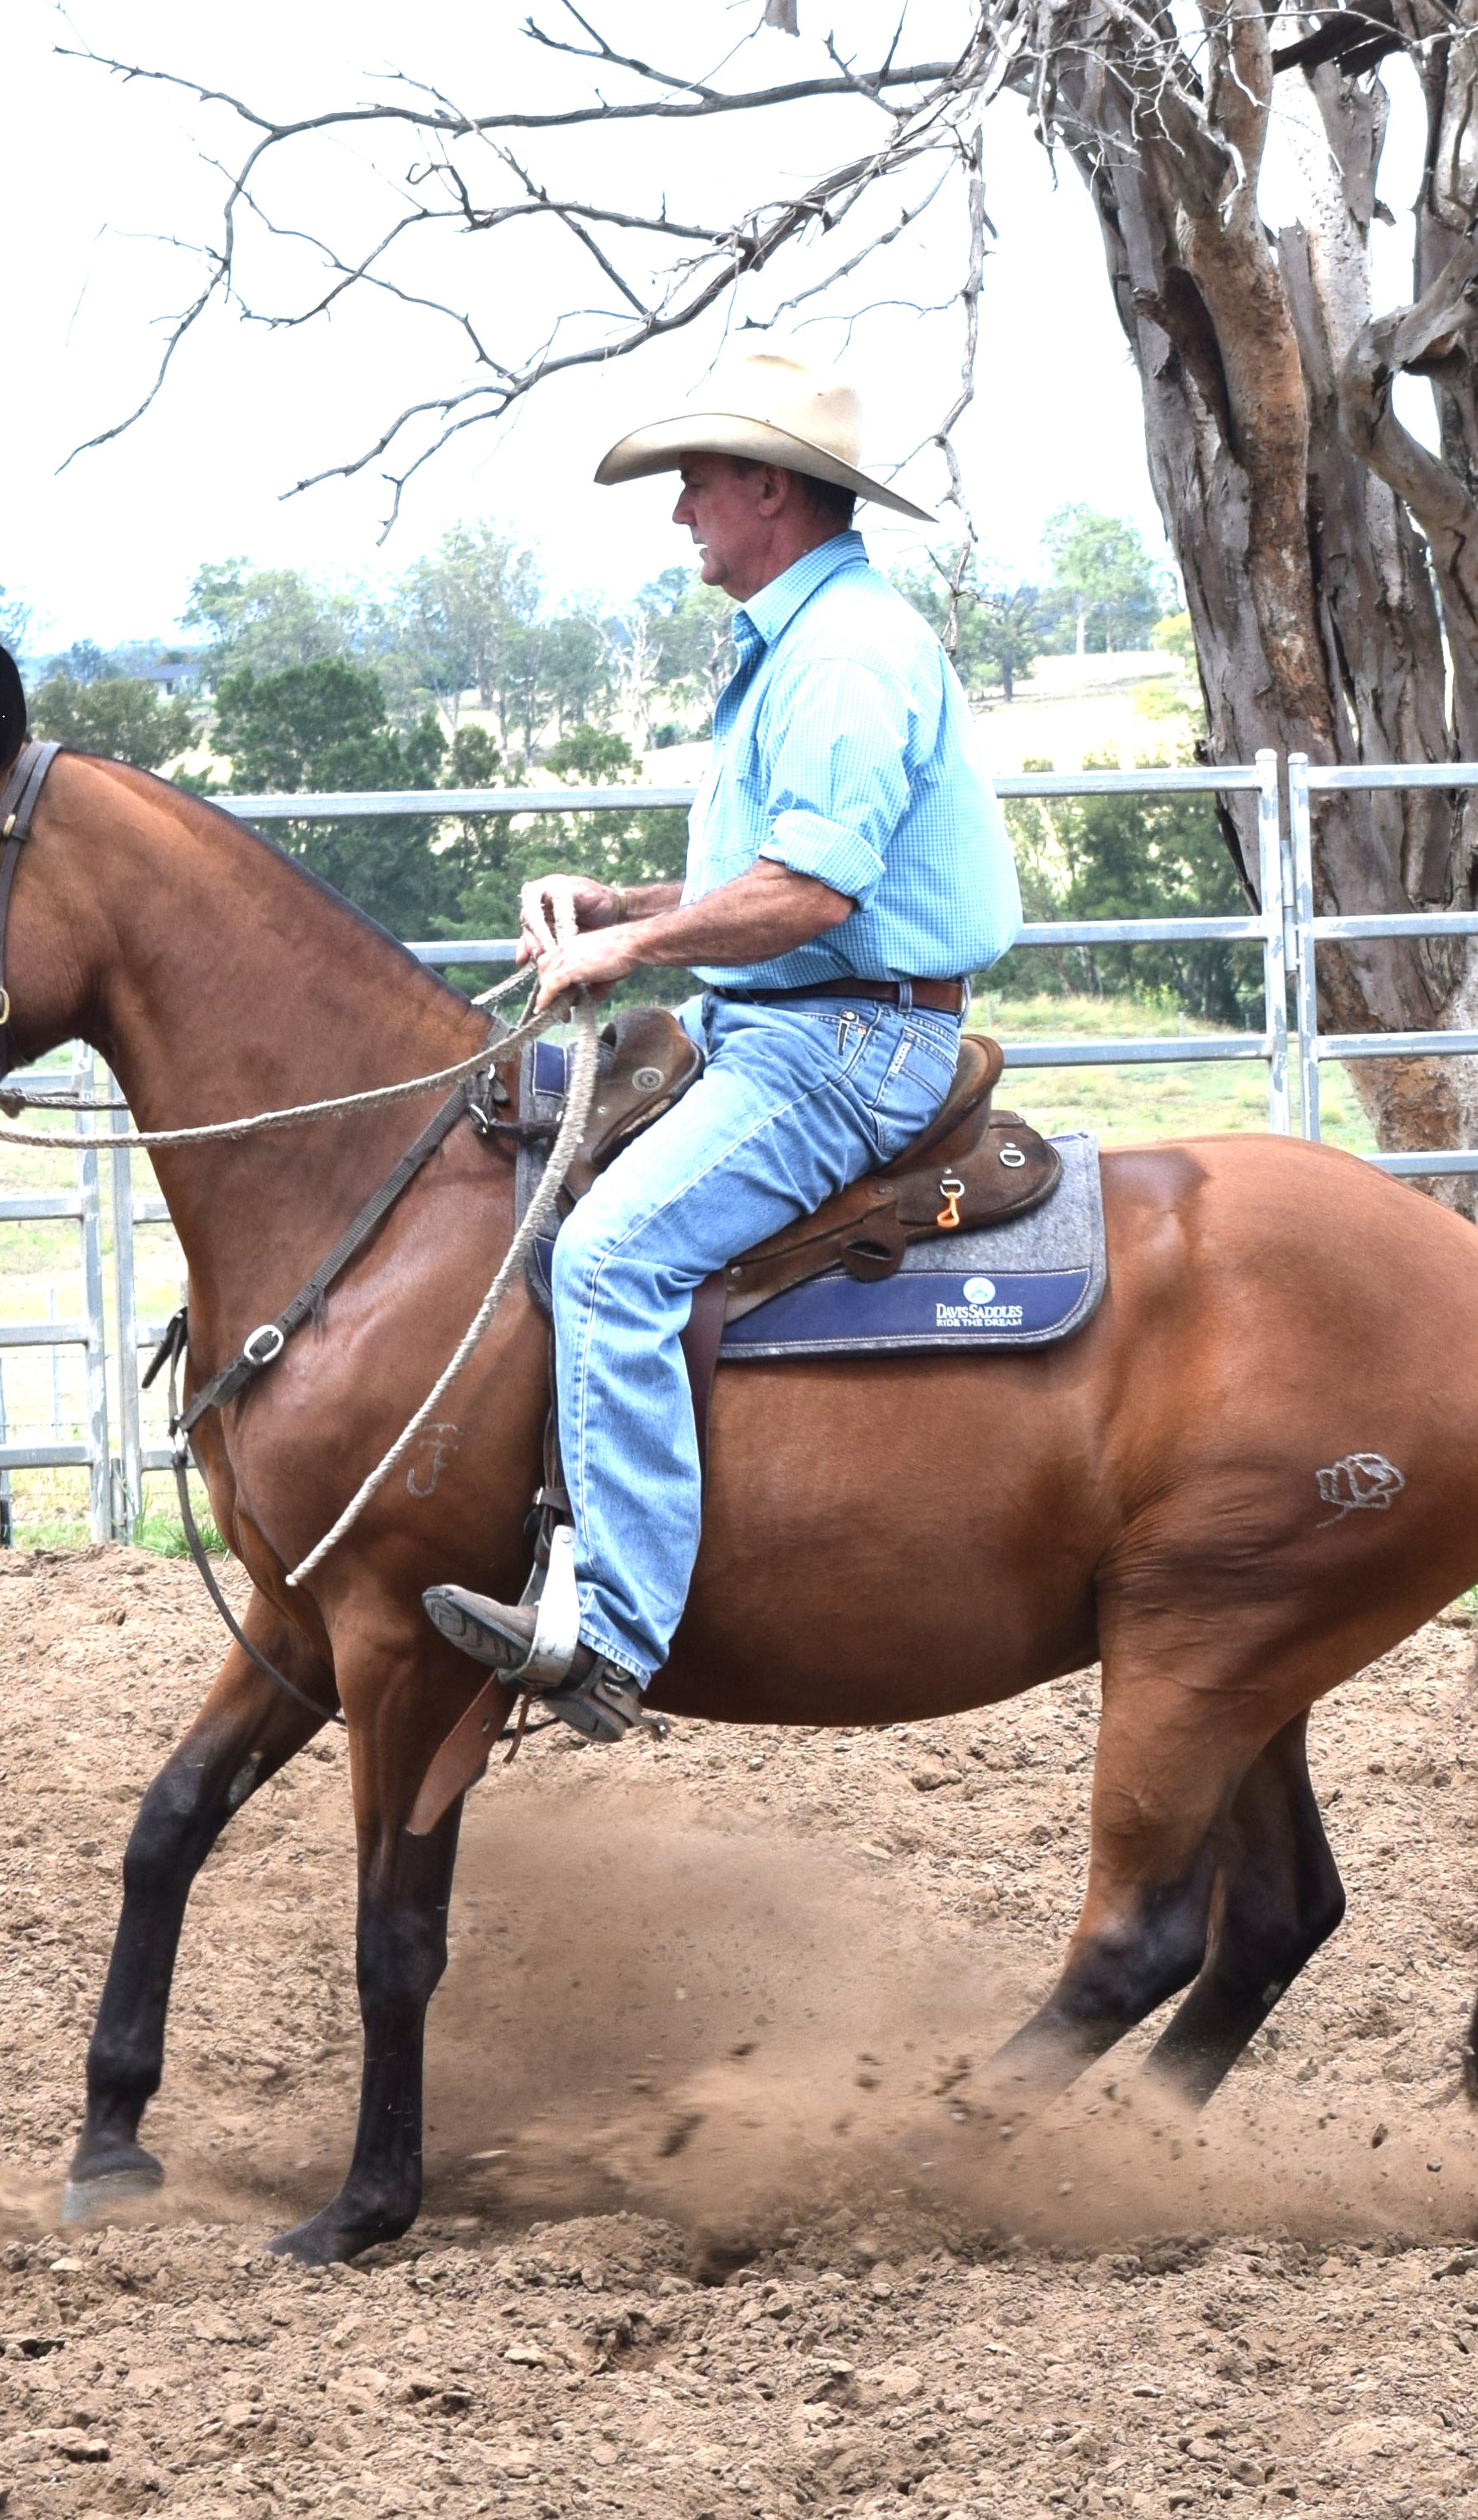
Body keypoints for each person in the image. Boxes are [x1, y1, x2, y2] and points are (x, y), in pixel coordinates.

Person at [422, 352, 1021, 1739]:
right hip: (783, 1017)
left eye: (696, 481)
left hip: (846, 1044)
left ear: (768, 488)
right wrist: (621, 907)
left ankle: (614, 1633)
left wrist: (626, 953)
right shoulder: (802, 642)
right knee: (521, 1144)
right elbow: (773, 877)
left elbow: (810, 894)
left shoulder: (845, 655)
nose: (679, 509)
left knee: (612, 1253)